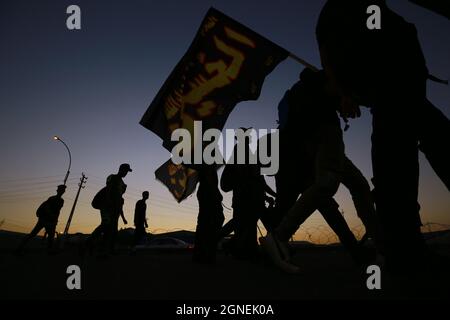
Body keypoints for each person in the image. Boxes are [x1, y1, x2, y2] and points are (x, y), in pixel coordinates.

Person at [315, 0, 449, 271]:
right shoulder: (348, 10)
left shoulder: (371, 10)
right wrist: (344, 90)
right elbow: (333, 49)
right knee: (398, 161)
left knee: (418, 149)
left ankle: (403, 248)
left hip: (402, 88)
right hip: (390, 88)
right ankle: (404, 251)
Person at [262, 68, 381, 270]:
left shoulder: (304, 99)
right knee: (326, 189)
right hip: (314, 153)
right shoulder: (319, 83)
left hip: (312, 158)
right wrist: (343, 96)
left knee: (357, 185)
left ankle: (377, 245)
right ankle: (277, 238)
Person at [220, 132, 276, 260]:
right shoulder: (240, 152)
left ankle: (239, 247)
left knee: (244, 225)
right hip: (245, 199)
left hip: (253, 198)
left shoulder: (250, 155)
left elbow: (259, 180)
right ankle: (235, 246)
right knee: (242, 225)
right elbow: (249, 179)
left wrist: (268, 195)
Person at [86, 163, 130, 256]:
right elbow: (108, 189)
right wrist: (109, 201)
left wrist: (122, 216)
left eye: (127, 172)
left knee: (112, 230)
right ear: (121, 169)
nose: (126, 173)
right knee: (106, 225)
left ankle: (107, 249)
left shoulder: (123, 184)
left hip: (114, 209)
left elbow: (119, 199)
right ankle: (88, 243)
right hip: (106, 206)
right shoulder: (112, 177)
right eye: (125, 171)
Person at [16, 185, 66, 254]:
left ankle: (20, 248)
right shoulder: (54, 199)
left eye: (63, 190)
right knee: (42, 236)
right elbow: (49, 209)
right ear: (60, 191)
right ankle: (20, 248)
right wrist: (52, 217)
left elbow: (57, 211)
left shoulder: (59, 200)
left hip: (46, 220)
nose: (62, 191)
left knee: (47, 237)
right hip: (46, 220)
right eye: (62, 190)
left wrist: (55, 220)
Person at [193, 164, 225, 264]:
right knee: (210, 222)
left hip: (206, 192)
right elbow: (209, 180)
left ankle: (203, 253)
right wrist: (216, 193)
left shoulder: (206, 165)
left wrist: (217, 193)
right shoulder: (206, 166)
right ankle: (207, 253)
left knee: (205, 223)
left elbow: (211, 181)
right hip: (208, 193)